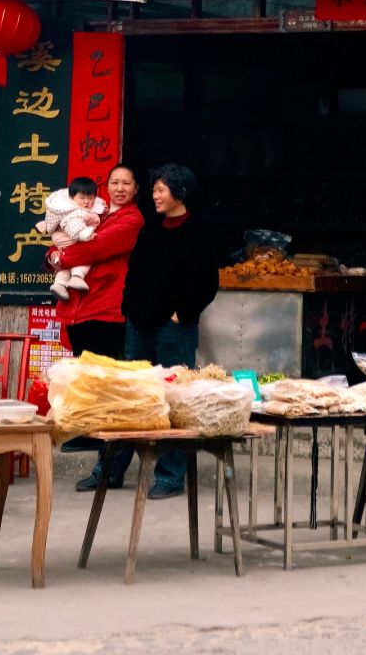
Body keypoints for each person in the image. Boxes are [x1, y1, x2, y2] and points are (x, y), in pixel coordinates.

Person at [102, 163, 218, 500]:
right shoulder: (150, 230)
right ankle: (111, 469)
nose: (154, 195)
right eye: (153, 189)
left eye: (160, 189)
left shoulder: (199, 230)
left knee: (175, 400)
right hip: (138, 325)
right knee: (131, 396)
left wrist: (182, 314)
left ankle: (170, 475)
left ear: (179, 192)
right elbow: (135, 273)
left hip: (173, 329)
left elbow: (208, 282)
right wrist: (129, 309)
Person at [50, 165, 144, 362]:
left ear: (136, 189)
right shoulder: (95, 212)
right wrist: (52, 256)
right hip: (77, 309)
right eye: (114, 182)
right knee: (83, 379)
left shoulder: (131, 219)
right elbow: (63, 237)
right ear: (106, 187)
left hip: (103, 310)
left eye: (126, 183)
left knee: (100, 380)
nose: (120, 188)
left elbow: (95, 248)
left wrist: (62, 258)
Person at [35, 176, 105, 301]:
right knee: (83, 259)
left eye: (90, 198)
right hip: (73, 244)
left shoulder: (61, 209)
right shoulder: (72, 211)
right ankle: (77, 277)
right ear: (72, 197)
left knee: (66, 266)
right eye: (82, 198)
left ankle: (59, 285)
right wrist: (52, 253)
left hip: (65, 249)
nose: (86, 202)